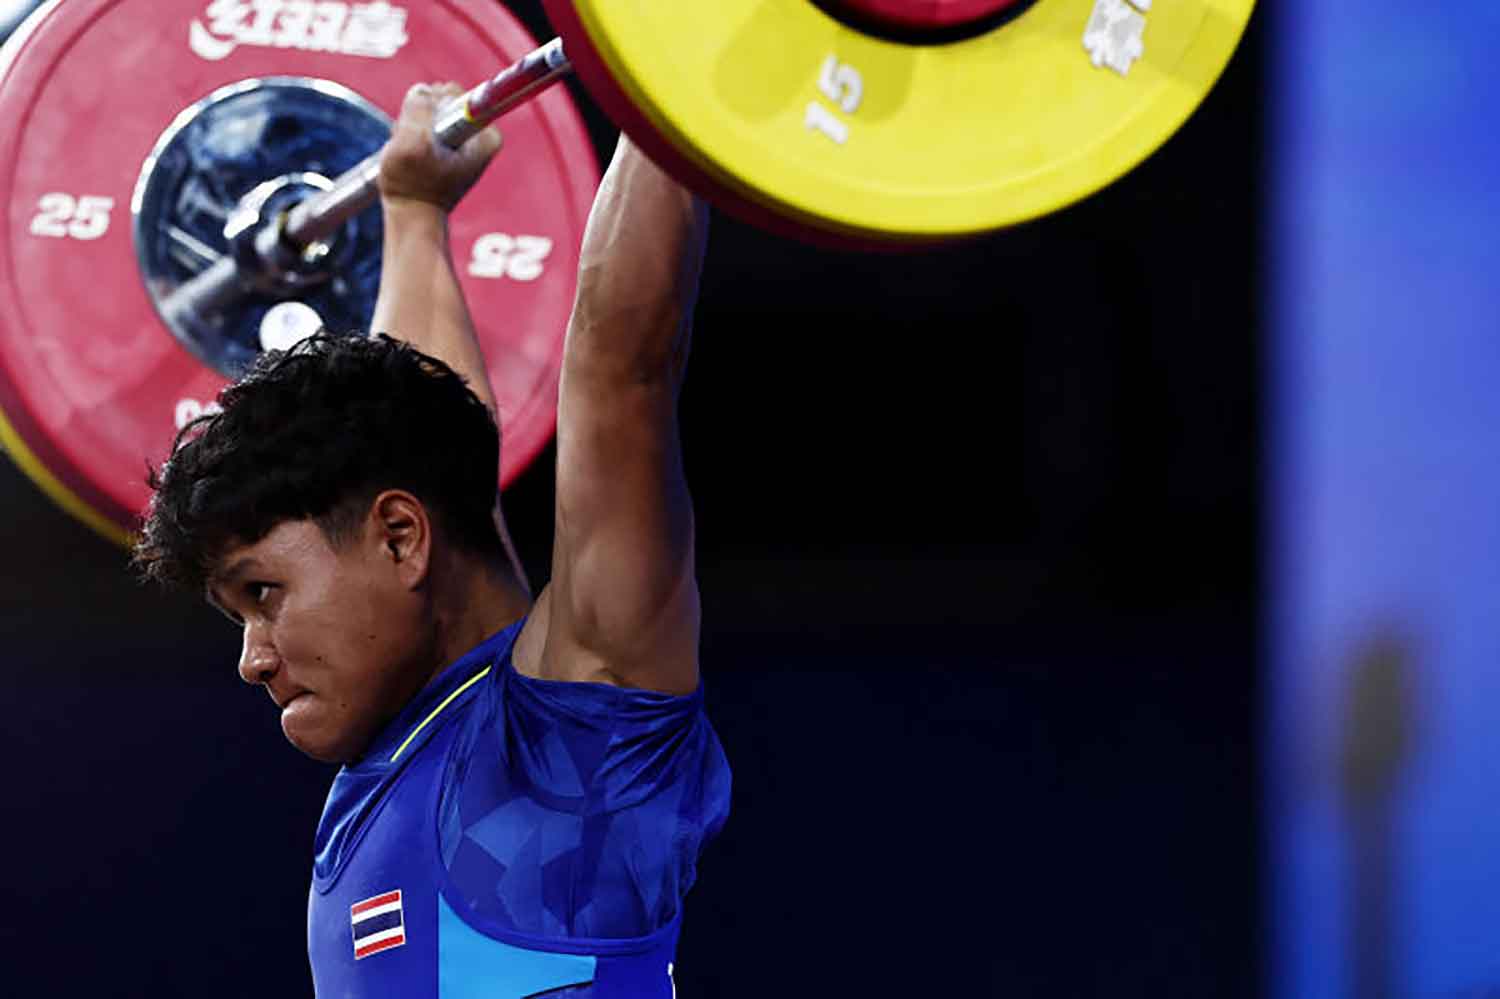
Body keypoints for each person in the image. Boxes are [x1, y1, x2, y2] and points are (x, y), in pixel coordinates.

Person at [133, 82, 731, 997]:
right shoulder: (417, 742)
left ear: (402, 539)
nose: (252, 659)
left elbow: (624, 368)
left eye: (263, 593)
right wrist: (413, 212)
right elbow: (425, 425)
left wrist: (669, 86)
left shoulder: (571, 754)